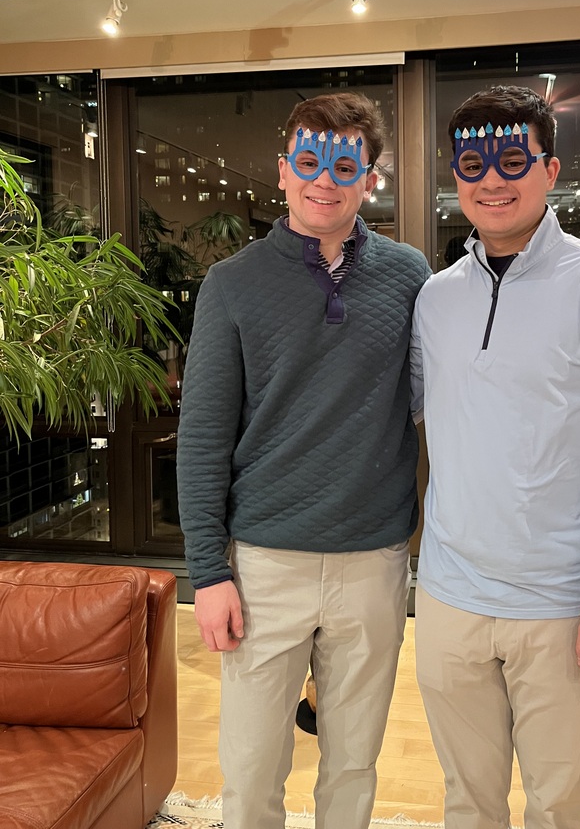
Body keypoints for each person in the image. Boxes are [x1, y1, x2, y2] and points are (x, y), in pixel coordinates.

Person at [411, 85, 580, 829]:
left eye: (512, 160)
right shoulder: (435, 299)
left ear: (550, 170)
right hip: (448, 599)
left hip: (563, 606)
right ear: (456, 176)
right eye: (473, 165)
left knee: (560, 806)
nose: (492, 180)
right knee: (466, 802)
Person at [177, 91, 431, 829]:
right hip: (264, 565)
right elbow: (203, 437)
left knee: (353, 764)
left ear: (369, 179)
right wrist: (208, 573)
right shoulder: (232, 284)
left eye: (344, 166)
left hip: (375, 560)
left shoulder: (409, 276)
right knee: (252, 768)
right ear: (284, 169)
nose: (325, 179)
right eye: (309, 162)